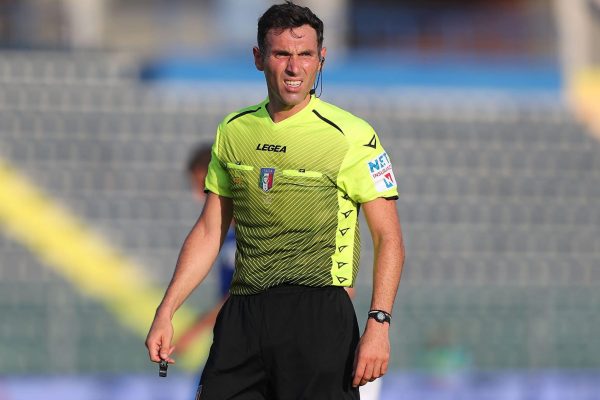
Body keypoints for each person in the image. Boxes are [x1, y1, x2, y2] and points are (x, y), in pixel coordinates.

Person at [145, 2, 405, 399]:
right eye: (282, 53)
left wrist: (379, 324)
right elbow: (210, 228)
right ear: (258, 58)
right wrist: (167, 310)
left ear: (321, 59)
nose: (293, 67)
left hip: (318, 317)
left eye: (305, 55)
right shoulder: (234, 131)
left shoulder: (351, 135)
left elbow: (389, 238)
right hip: (244, 315)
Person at [173, 144, 236, 355]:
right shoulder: (225, 233)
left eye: (203, 185)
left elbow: (246, 293)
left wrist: (196, 329)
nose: (198, 196)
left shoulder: (255, 230)